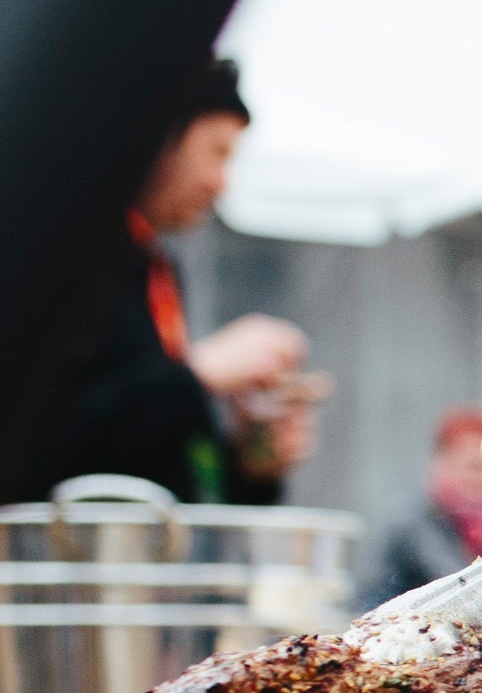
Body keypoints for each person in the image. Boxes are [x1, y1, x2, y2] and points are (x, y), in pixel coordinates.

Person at [21, 59, 319, 505]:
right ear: (159, 139)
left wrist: (251, 463)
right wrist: (200, 373)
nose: (221, 185)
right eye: (217, 153)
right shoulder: (67, 254)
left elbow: (159, 461)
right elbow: (39, 435)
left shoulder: (153, 266)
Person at [353, 406, 482, 612]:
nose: (481, 480)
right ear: (441, 463)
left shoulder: (473, 526)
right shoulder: (414, 520)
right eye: (472, 467)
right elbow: (459, 587)